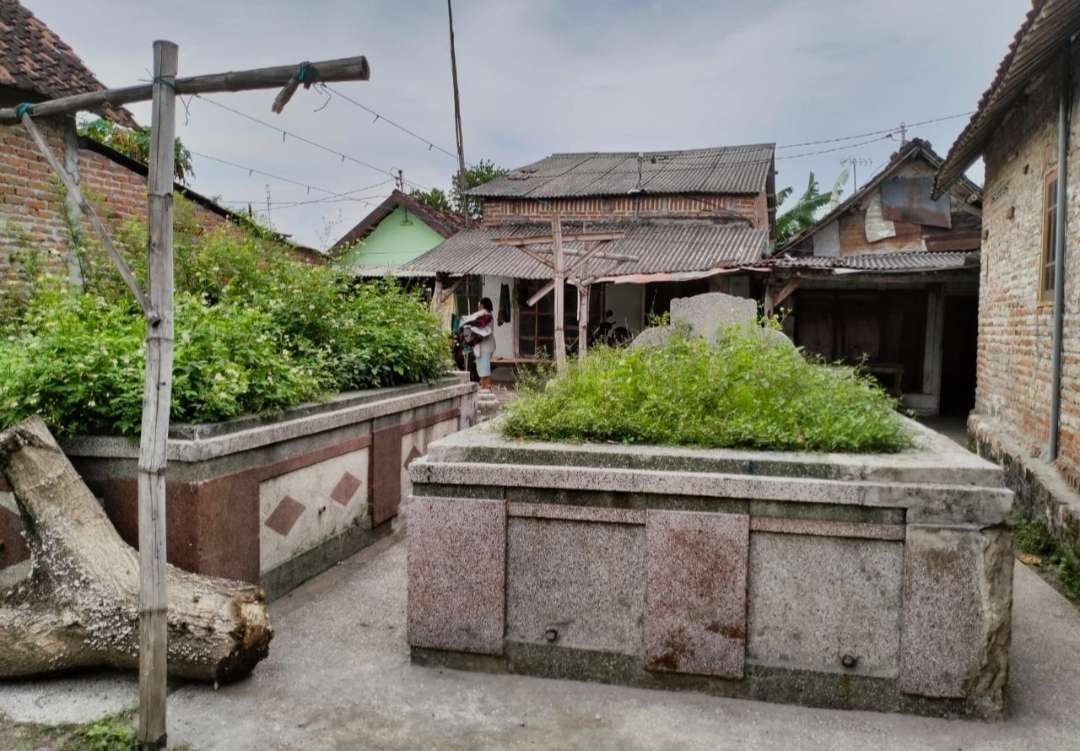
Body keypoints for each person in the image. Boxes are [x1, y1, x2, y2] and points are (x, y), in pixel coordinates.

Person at [460, 297, 496, 390]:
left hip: (485, 347)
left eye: (479, 305)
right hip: (485, 346)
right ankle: (484, 388)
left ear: (483, 305)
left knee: (485, 370)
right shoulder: (487, 315)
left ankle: (487, 390)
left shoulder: (485, 315)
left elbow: (476, 323)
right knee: (482, 369)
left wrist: (467, 321)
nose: (479, 307)